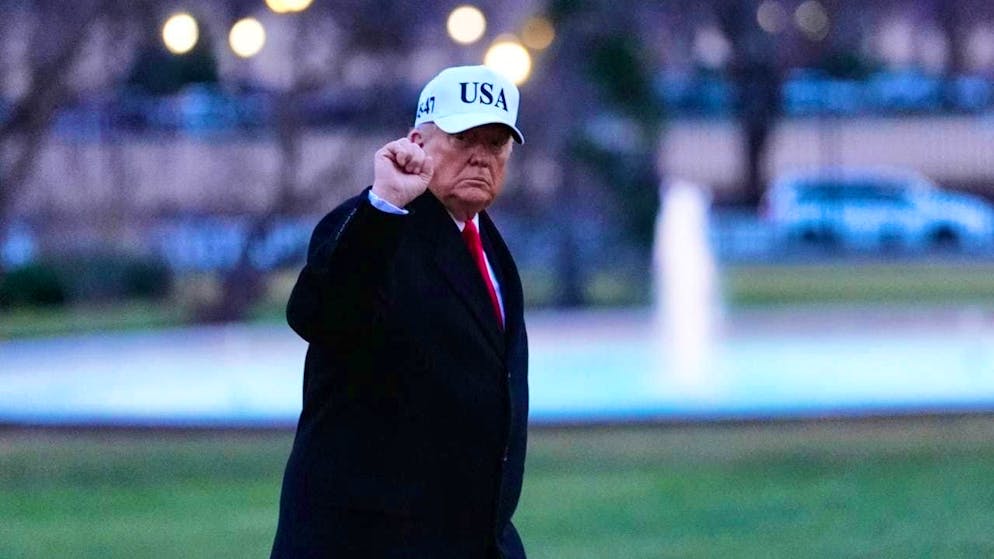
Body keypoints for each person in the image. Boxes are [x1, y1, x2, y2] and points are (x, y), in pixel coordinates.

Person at [270, 65, 529, 559]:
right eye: (462, 137)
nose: (480, 156)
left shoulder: (487, 244)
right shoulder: (373, 225)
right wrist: (385, 204)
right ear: (416, 142)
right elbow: (323, 317)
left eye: (496, 142)